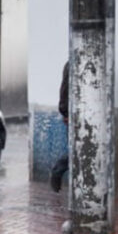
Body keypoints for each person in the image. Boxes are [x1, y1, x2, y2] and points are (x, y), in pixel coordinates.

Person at [50, 61, 69, 192]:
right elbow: (65, 90)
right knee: (77, 151)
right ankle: (57, 171)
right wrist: (66, 112)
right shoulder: (73, 64)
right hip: (75, 114)